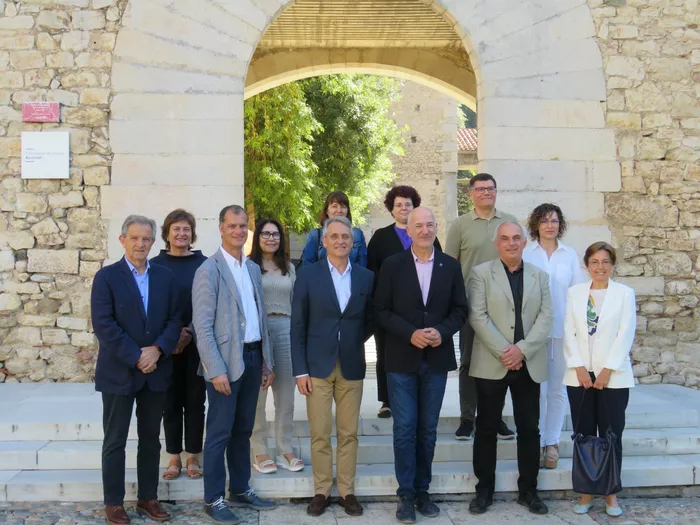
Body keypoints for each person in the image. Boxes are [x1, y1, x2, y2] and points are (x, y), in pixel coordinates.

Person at [374, 207, 468, 524]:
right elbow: (381, 311)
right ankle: (405, 494)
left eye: (430, 224)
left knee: (427, 430)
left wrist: (441, 332)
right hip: (401, 359)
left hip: (436, 360)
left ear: (435, 228)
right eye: (419, 225)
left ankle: (422, 490)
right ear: (409, 230)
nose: (425, 230)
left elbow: (460, 310)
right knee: (404, 429)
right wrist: (410, 333)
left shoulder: (450, 266)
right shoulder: (392, 265)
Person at [91, 215, 181, 525]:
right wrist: (136, 356)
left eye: (146, 239)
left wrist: (156, 350)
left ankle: (148, 497)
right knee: (115, 439)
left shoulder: (165, 277)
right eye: (134, 238)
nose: (141, 244)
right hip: (118, 373)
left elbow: (174, 320)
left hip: (155, 371)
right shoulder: (106, 277)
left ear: (154, 242)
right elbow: (104, 324)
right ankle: (114, 502)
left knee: (150, 439)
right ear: (122, 240)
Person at [192, 205, 277, 524]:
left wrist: (267, 361)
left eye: (243, 226)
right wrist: (214, 369)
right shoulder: (209, 270)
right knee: (219, 432)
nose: (239, 231)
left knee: (244, 429)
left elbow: (260, 319)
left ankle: (240, 488)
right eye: (233, 226)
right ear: (221, 228)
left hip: (254, 357)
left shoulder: (252, 268)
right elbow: (201, 325)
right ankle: (213, 498)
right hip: (225, 363)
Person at [468, 222, 553, 516]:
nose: (511, 243)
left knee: (529, 429)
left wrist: (522, 350)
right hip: (493, 362)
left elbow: (546, 317)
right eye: (504, 239)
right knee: (487, 428)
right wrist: (506, 351)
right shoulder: (481, 274)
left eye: (516, 238)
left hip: (528, 363)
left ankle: (529, 490)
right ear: (497, 243)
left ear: (525, 242)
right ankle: (484, 491)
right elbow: (477, 316)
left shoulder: (540, 276)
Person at [291, 216, 374, 517]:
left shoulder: (366, 277)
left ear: (353, 243)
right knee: (320, 432)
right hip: (316, 367)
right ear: (323, 241)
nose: (340, 241)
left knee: (349, 432)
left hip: (351, 363)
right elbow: (298, 325)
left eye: (346, 237)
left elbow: (369, 321)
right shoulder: (308, 276)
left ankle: (347, 491)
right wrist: (300, 370)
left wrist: (349, 340)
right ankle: (322, 490)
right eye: (334, 236)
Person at [563, 242, 635, 518]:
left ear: (613, 264)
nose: (600, 267)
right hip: (578, 376)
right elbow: (568, 330)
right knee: (584, 435)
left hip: (613, 377)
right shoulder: (575, 294)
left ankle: (611, 494)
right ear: (587, 265)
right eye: (594, 261)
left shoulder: (624, 294)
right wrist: (579, 367)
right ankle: (584, 492)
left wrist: (606, 370)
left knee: (611, 434)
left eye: (605, 261)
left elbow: (625, 334)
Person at [445, 173, 518, 441]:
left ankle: (495, 417)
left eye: (490, 188)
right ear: (471, 193)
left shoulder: (509, 222)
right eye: (480, 189)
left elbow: (517, 260)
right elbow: (450, 265)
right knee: (468, 362)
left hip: (503, 305)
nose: (486, 192)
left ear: (496, 192)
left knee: (500, 361)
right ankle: (467, 418)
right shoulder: (460, 225)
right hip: (469, 304)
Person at [367, 185, 442, 419]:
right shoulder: (380, 237)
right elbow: (372, 269)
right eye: (398, 204)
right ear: (391, 208)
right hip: (389, 309)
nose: (403, 208)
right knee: (385, 353)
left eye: (407, 204)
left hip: (420, 309)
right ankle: (387, 400)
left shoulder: (428, 236)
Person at [522, 204, 584, 470]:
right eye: (545, 221)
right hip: (531, 332)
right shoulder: (525, 253)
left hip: (561, 331)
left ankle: (551, 442)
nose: (550, 225)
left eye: (555, 221)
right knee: (533, 390)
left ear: (561, 225)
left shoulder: (569, 255)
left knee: (557, 391)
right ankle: (532, 440)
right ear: (536, 224)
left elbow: (577, 293)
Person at [152, 209, 208, 482]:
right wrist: (172, 338)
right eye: (176, 229)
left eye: (186, 229)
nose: (182, 233)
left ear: (192, 234)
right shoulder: (154, 265)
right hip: (166, 345)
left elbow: (210, 304)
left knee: (195, 401)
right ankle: (174, 455)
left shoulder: (205, 264)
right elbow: (153, 308)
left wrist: (190, 332)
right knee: (170, 401)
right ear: (166, 233)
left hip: (199, 344)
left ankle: (193, 455)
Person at [249, 219, 304, 474]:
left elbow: (296, 302)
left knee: (285, 397)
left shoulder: (289, 269)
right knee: (258, 395)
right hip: (260, 332)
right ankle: (259, 449)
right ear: (258, 237)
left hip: (286, 331)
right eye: (266, 233)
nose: (271, 238)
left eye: (276, 234)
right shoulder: (249, 267)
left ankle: (285, 448)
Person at [300, 191, 367, 267]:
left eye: (343, 206)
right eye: (334, 206)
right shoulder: (315, 235)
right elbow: (308, 267)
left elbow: (363, 265)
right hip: (321, 278)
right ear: (326, 211)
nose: (339, 210)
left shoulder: (357, 234)